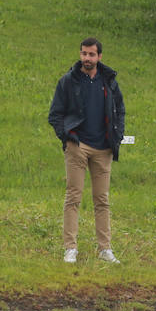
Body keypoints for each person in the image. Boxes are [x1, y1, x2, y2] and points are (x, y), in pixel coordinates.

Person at [47, 37, 126, 264]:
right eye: (84, 54)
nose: (87, 58)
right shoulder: (68, 81)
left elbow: (120, 110)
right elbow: (55, 114)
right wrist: (69, 137)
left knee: (102, 199)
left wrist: (117, 137)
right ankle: (70, 248)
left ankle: (105, 249)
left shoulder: (108, 81)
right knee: (73, 197)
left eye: (91, 54)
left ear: (99, 56)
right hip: (78, 147)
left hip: (103, 150)